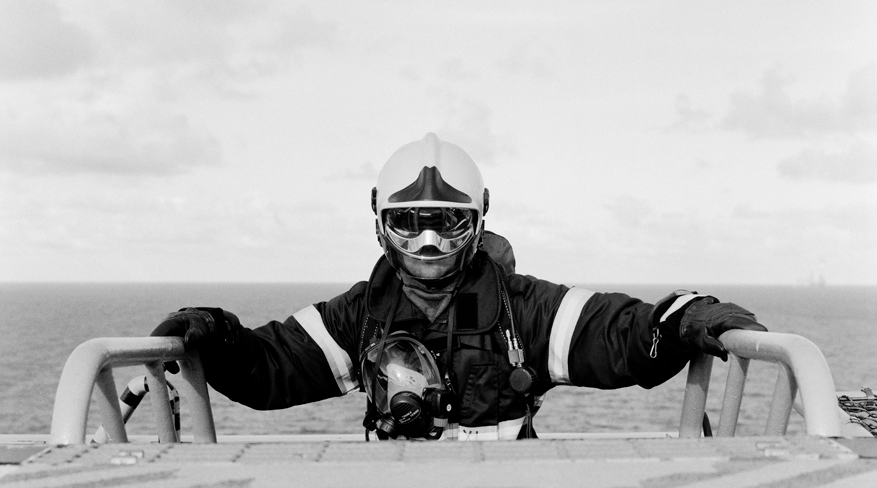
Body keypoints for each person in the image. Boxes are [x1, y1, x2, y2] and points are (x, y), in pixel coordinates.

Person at [151, 133, 766, 441]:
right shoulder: (361, 315)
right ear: (380, 222)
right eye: (408, 222)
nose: (427, 243)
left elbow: (619, 332)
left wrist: (687, 316)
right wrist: (217, 334)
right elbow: (272, 367)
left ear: (477, 221)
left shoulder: (524, 312)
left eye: (446, 223)